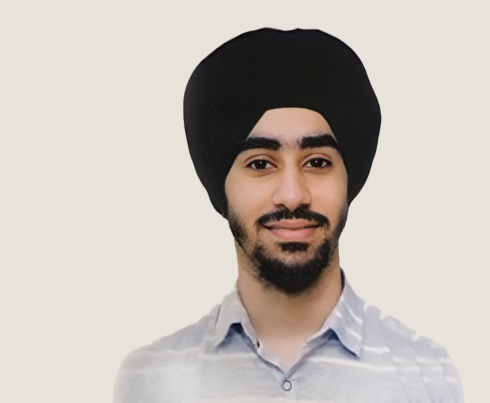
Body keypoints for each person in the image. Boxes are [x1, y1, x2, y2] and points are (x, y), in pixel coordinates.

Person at [113, 28, 464, 402]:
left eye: (317, 162)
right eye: (261, 163)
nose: (293, 195)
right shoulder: (149, 382)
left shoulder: (428, 377)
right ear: (220, 186)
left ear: (349, 181)